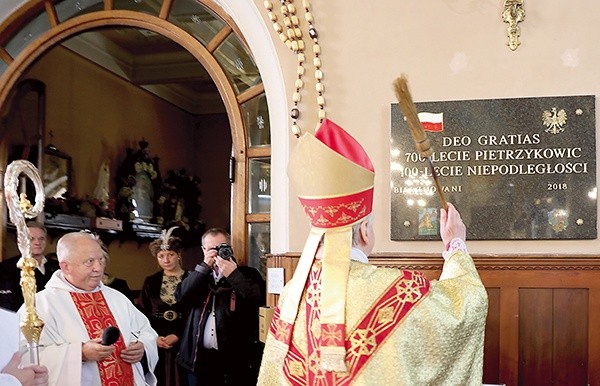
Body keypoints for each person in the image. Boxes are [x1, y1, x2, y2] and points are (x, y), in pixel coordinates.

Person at [257, 119, 488, 385]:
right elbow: (464, 308)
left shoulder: (290, 298)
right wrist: (455, 244)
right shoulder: (399, 290)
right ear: (365, 231)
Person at [18, 231, 159, 386]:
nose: (98, 268)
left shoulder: (117, 298)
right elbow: (24, 356)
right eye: (89, 262)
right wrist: (79, 353)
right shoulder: (40, 305)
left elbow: (146, 332)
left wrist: (142, 348)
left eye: (101, 260)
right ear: (66, 267)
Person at [175, 228, 266, 386]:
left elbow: (258, 298)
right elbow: (180, 297)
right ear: (203, 250)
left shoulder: (248, 274)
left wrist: (234, 275)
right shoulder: (196, 275)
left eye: (221, 247)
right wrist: (203, 267)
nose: (217, 253)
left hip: (237, 361)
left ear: (230, 248)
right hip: (201, 359)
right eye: (211, 249)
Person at [140, 227, 189, 386]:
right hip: (157, 339)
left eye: (170, 255)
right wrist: (153, 338)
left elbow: (196, 312)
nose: (166, 260)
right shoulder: (150, 282)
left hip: (184, 339)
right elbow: (142, 312)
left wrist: (178, 335)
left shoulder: (192, 279)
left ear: (179, 255)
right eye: (161, 256)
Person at [0, 222, 59, 311]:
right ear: (20, 241)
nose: (37, 242)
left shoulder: (57, 266)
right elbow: (6, 304)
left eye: (41, 238)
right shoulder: (6, 268)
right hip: (22, 320)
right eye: (31, 239)